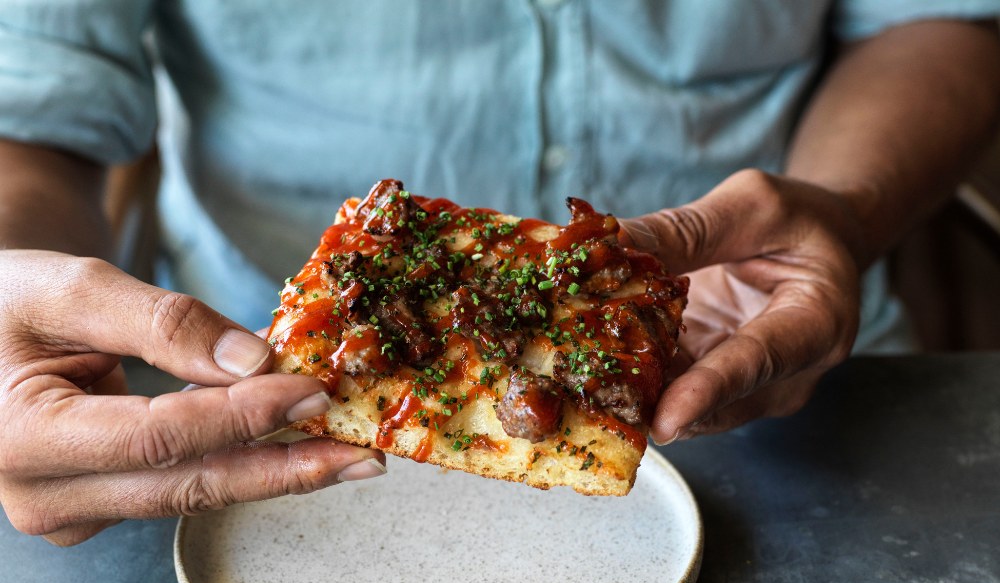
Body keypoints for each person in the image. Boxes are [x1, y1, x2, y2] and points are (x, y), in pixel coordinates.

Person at [1, 2, 999, 545]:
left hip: (792, 351)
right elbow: (31, 109)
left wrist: (849, 207)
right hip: (238, 407)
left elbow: (936, 18)